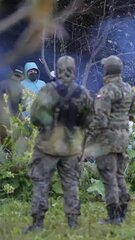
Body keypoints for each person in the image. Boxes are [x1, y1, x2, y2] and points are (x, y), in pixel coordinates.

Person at [23, 56, 92, 233]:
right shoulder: (82, 92)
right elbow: (88, 121)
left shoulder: (47, 90)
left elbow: (35, 118)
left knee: (41, 182)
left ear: (58, 69)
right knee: (71, 183)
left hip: (47, 146)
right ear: (74, 69)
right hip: (71, 147)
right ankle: (73, 223)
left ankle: (38, 223)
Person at [85, 55, 135, 225]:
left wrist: (89, 138)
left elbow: (100, 118)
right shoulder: (129, 89)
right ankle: (123, 211)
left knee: (108, 177)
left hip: (107, 140)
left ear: (108, 70)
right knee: (119, 175)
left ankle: (114, 217)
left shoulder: (106, 90)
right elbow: (132, 116)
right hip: (122, 138)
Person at [0, 67, 24, 144]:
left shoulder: (2, 83)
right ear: (22, 76)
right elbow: (24, 107)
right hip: (12, 122)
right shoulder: (21, 88)